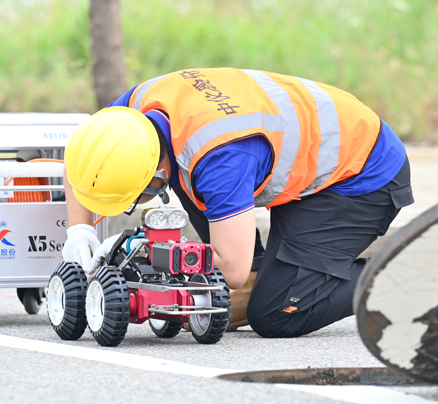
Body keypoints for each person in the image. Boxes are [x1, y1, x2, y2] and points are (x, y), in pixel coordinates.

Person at [61, 68, 413, 338]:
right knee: (237, 289)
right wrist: (78, 230)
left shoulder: (220, 160)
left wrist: (140, 248)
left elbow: (231, 268)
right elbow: (81, 155)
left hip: (362, 175)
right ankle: (268, 276)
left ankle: (402, 277)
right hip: (305, 153)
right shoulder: (131, 115)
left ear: (157, 174)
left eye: (133, 198)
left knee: (274, 314)